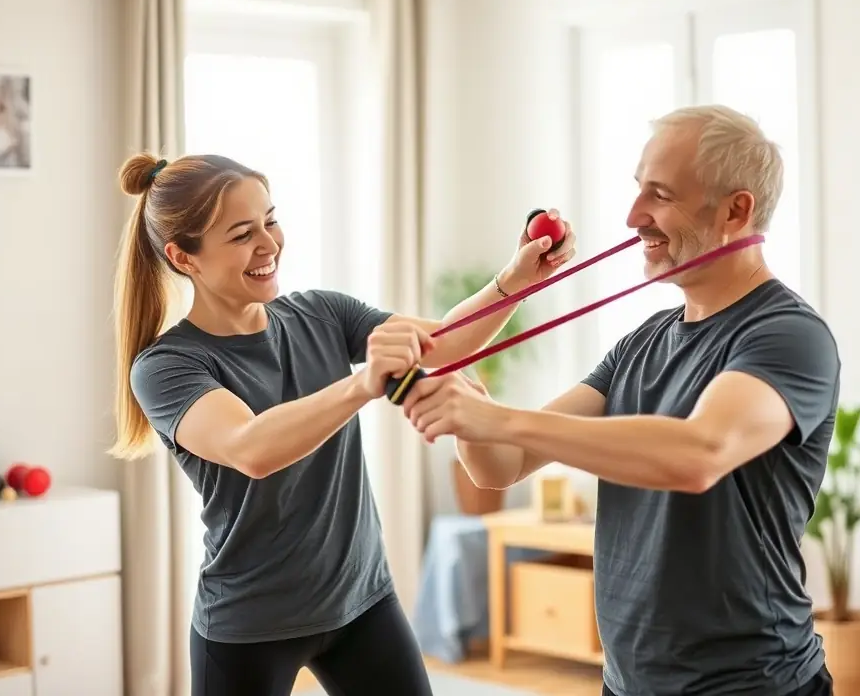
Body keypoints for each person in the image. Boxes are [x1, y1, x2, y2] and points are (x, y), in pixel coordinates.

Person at [402, 105, 841, 696]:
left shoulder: (786, 335)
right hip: (629, 683)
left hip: (752, 684)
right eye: (638, 190)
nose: (634, 217)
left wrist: (496, 416)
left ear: (737, 210)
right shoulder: (644, 343)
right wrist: (472, 368)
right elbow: (498, 464)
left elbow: (698, 454)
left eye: (659, 195)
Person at [110, 151, 577, 696]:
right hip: (250, 622)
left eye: (271, 220)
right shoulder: (168, 366)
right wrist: (362, 383)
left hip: (361, 601)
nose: (269, 244)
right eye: (242, 235)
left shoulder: (321, 313)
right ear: (183, 257)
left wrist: (515, 279)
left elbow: (443, 344)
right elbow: (250, 447)